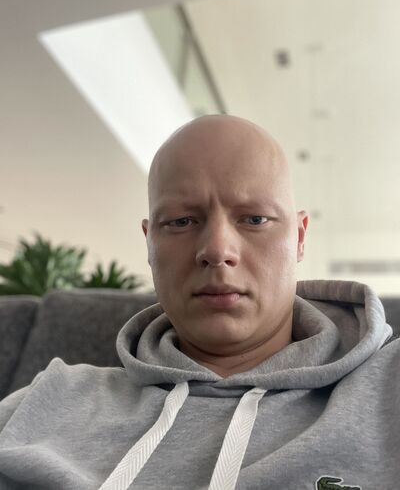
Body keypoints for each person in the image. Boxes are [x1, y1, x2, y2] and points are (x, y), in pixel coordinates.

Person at [0, 114, 397, 490]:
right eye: (181, 221)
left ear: (299, 238)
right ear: (150, 244)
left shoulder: (388, 388)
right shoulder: (48, 399)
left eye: (254, 219)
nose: (217, 250)